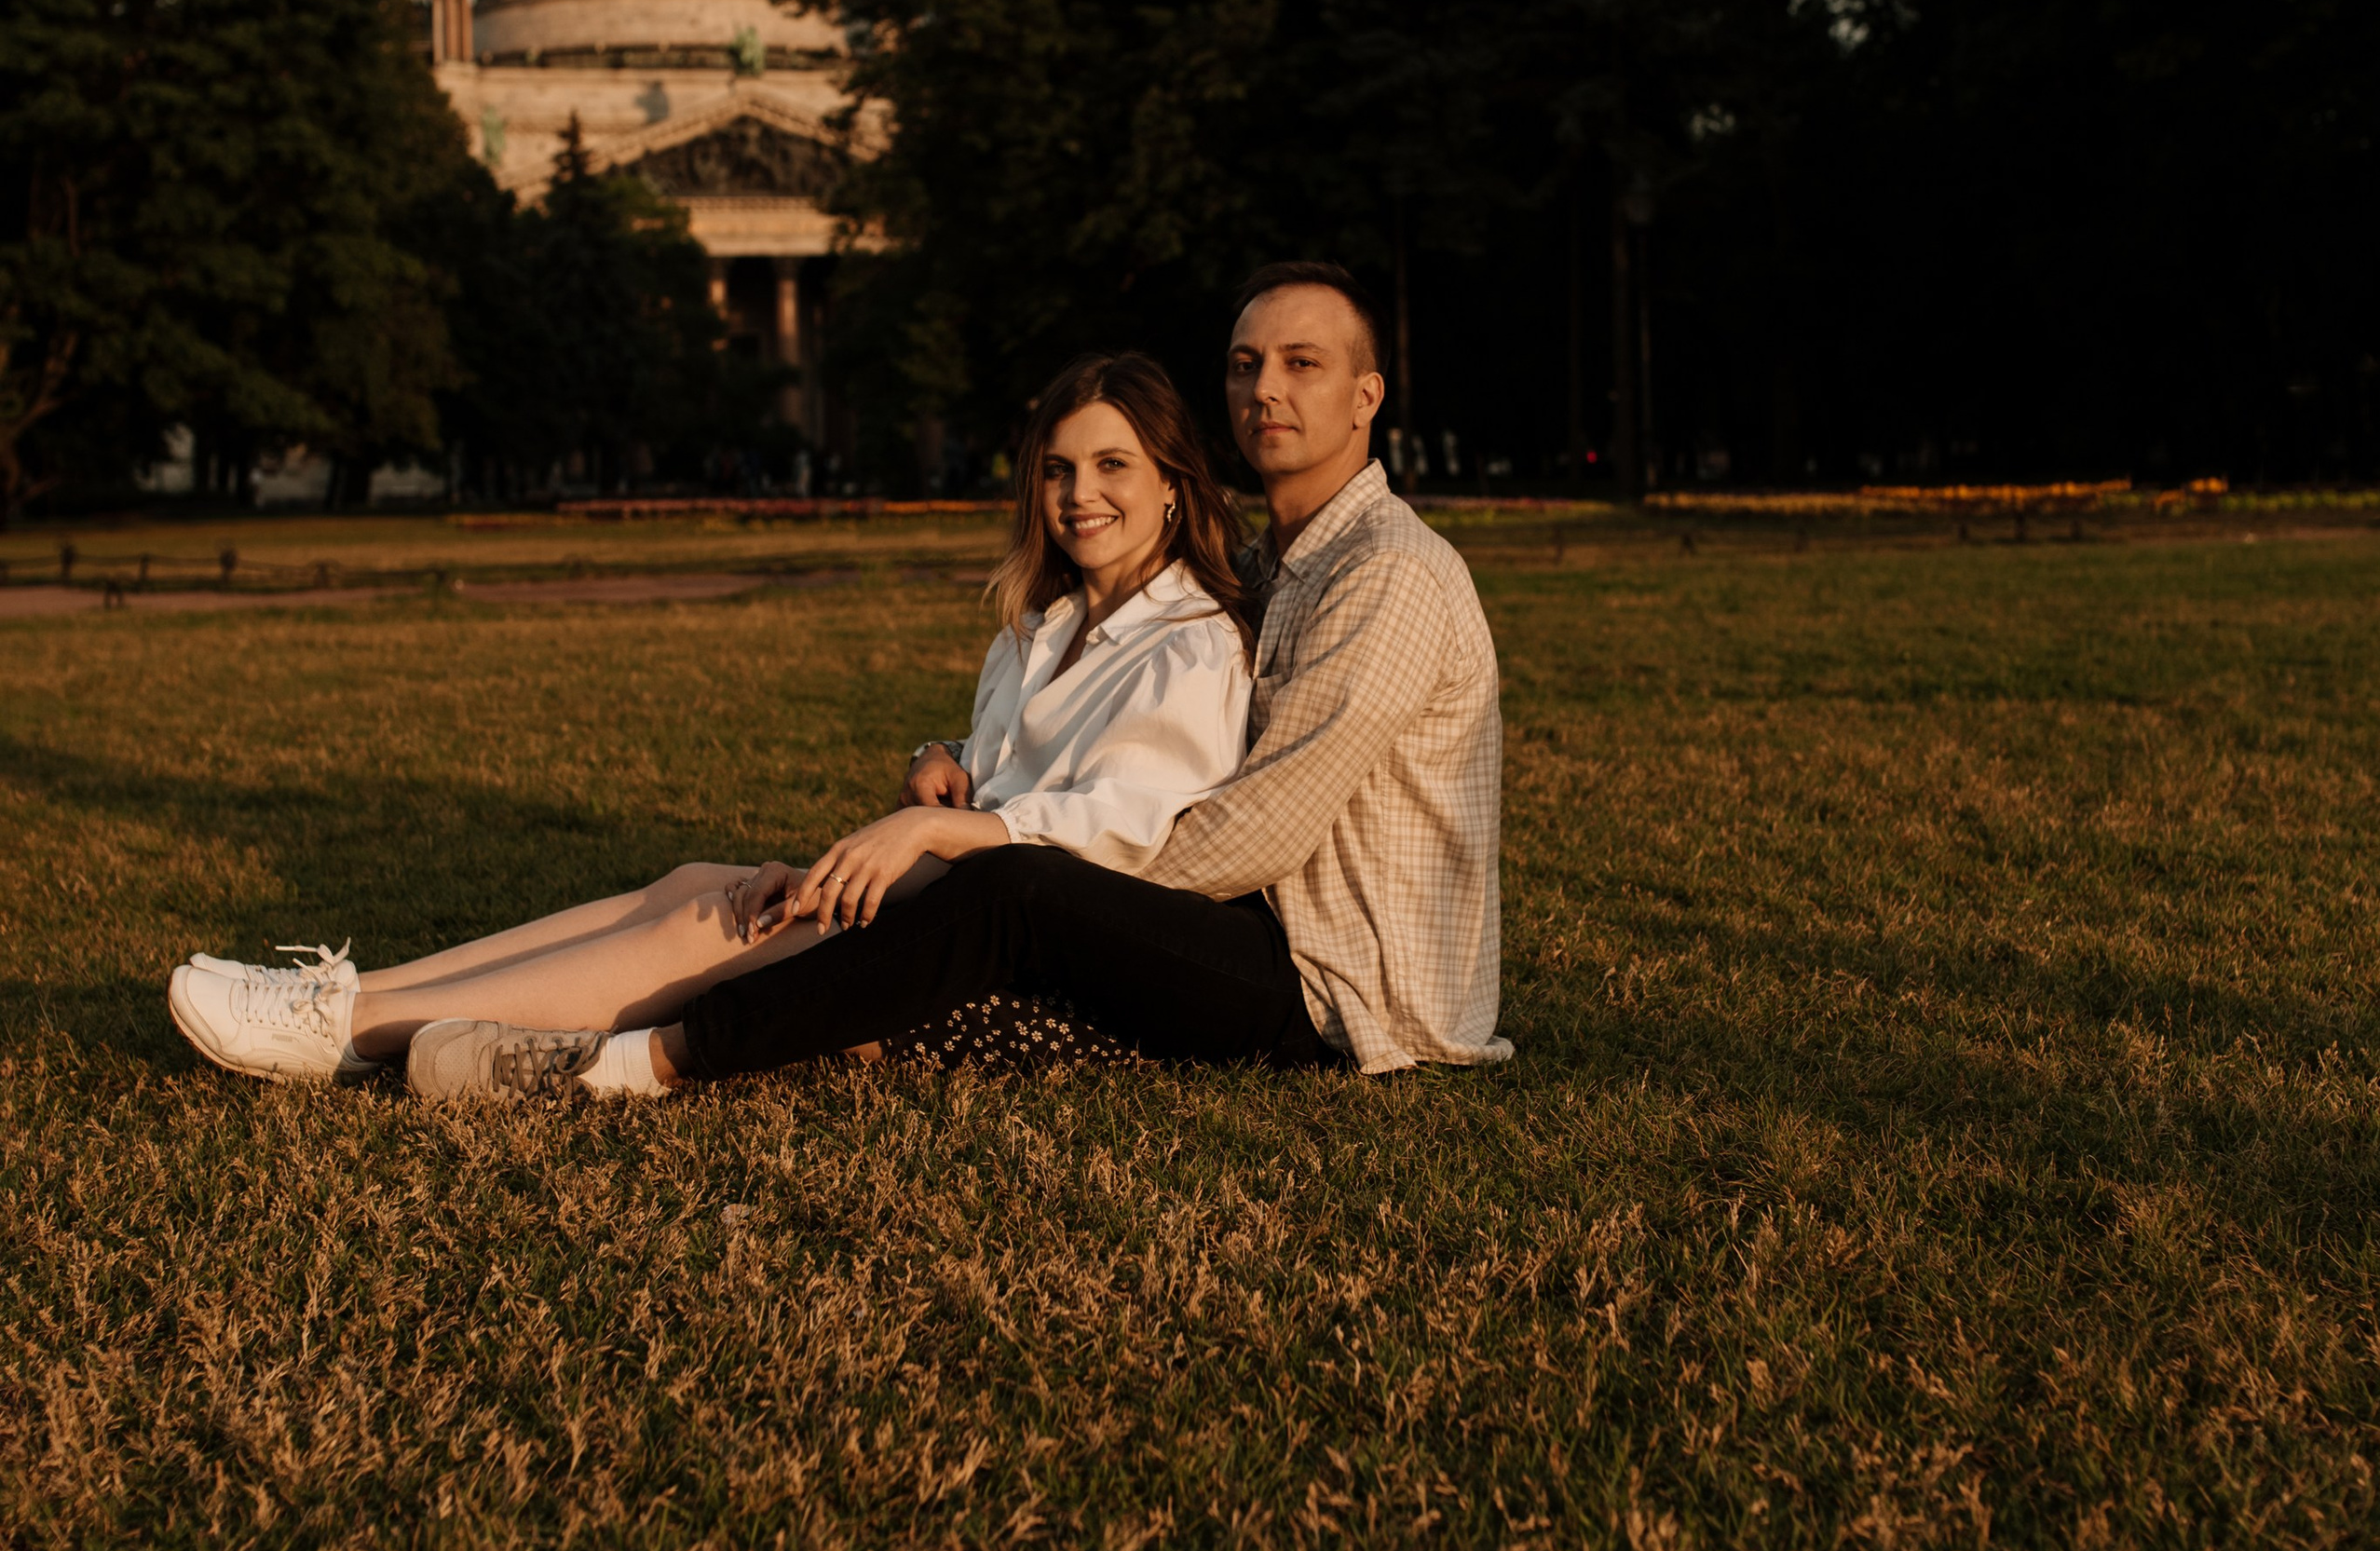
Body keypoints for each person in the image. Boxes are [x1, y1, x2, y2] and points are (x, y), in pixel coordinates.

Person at [407, 260, 1508, 1093]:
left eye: (1302, 365)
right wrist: (969, 783)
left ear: (1366, 396)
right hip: (1261, 943)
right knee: (866, 907)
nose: (1265, 388)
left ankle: (641, 1062)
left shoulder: (1386, 576)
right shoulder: (1270, 565)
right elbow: (1129, 717)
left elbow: (1253, 836)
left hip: (1348, 993)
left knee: (1000, 899)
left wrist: (1003, 850)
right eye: (1244, 364)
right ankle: (412, 1019)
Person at [166, 354, 1254, 1095]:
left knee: (730, 924)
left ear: (1171, 482)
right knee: (699, 883)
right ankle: (358, 996)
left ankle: (341, 1036)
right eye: (1059, 468)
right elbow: (1030, 767)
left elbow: (1130, 832)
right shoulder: (1051, 620)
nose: (1079, 494)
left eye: (1113, 466)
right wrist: (947, 760)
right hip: (966, 908)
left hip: (1039, 966)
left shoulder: (1192, 639)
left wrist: (921, 834)